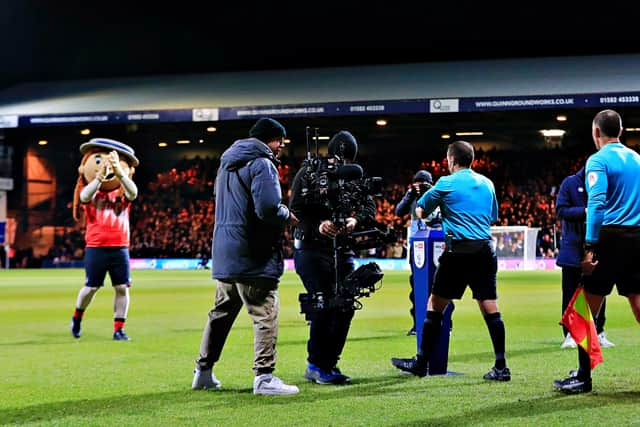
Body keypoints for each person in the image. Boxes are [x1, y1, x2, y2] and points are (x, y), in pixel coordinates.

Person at [192, 117, 300, 396]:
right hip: (253, 253)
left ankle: (203, 372)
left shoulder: (226, 165)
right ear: (269, 139)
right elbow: (267, 208)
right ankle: (264, 378)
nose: (281, 147)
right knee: (265, 312)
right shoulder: (262, 163)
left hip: (227, 253)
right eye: (280, 141)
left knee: (221, 314)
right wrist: (288, 216)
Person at [391, 140, 510, 381]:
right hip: (485, 250)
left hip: (458, 251)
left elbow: (421, 212)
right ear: (472, 160)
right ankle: (501, 366)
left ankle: (421, 362)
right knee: (490, 307)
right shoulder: (487, 184)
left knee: (435, 305)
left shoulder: (445, 183)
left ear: (452, 160)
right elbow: (493, 216)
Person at [554, 109, 640, 394]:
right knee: (639, 306)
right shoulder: (637, 159)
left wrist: (590, 246)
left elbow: (598, 203)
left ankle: (583, 377)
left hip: (611, 238)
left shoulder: (598, 160)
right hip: (637, 237)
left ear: (595, 132)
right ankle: (582, 373)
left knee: (582, 310)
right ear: (621, 130)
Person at [289, 130, 376, 385]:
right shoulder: (308, 173)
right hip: (311, 248)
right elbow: (295, 209)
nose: (345, 164)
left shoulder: (353, 176)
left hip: (343, 248)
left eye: (350, 160)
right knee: (323, 304)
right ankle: (316, 364)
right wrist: (319, 224)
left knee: (346, 305)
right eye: (343, 158)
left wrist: (354, 219)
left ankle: (330, 362)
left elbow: (368, 206)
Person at [70, 138, 139, 341]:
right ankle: (77, 317)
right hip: (96, 246)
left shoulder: (122, 191)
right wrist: (99, 177)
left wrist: (119, 172)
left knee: (121, 288)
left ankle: (119, 328)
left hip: (120, 247)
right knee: (91, 287)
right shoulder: (92, 191)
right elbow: (83, 196)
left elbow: (133, 192)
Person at [556, 165, 614, 349]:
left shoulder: (604, 182)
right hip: (573, 248)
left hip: (597, 245)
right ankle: (570, 335)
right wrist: (585, 211)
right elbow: (561, 210)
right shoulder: (570, 183)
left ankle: (598, 331)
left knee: (599, 290)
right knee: (570, 292)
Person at [395, 170, 436, 336]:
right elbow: (399, 211)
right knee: (416, 287)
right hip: (417, 246)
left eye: (422, 183)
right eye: (416, 182)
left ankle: (444, 322)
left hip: (435, 245)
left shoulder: (436, 195)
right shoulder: (412, 196)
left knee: (438, 287)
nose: (418, 185)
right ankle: (417, 323)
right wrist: (409, 195)